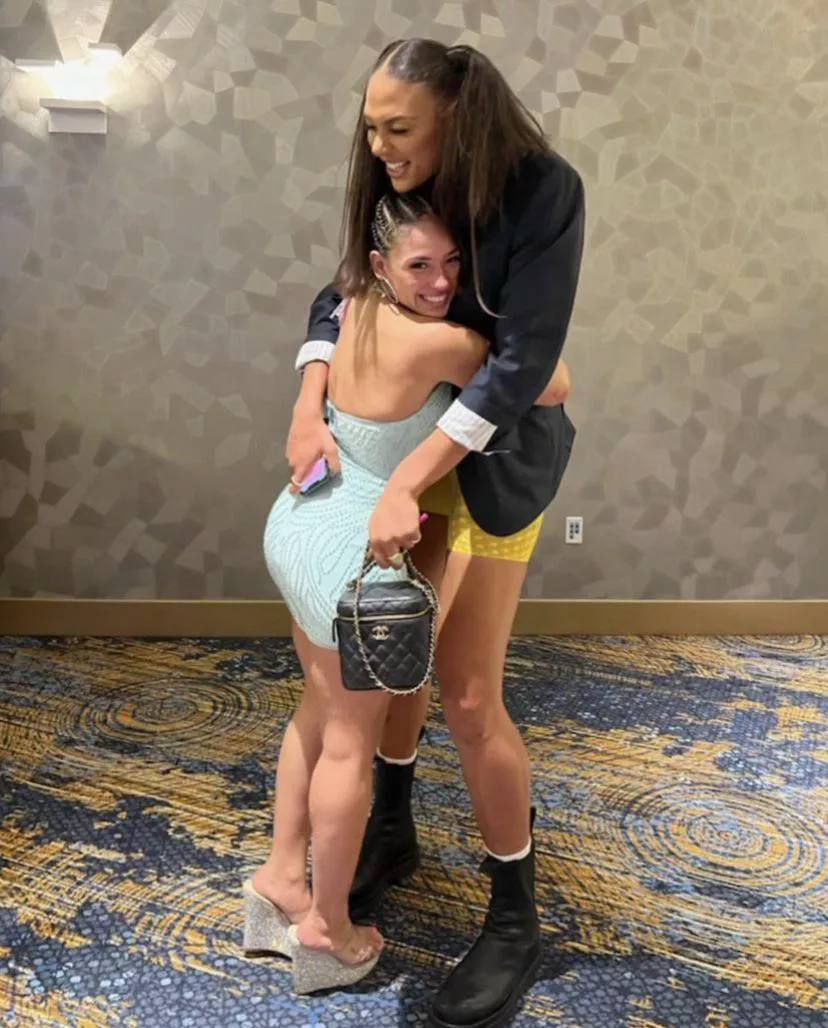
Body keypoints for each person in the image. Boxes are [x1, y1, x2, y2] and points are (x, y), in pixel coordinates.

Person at [286, 38, 584, 1028]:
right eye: (371, 127)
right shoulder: (402, 180)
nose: (378, 145)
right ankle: (395, 826)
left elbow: (525, 365)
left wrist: (408, 481)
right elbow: (341, 289)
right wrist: (308, 401)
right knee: (393, 663)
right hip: (407, 464)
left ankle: (515, 914)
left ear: (455, 118)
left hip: (491, 469)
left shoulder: (544, 191)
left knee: (466, 693)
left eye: (397, 127)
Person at [245, 193, 570, 996]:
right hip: (351, 549)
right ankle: (327, 931)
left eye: (452, 264)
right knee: (348, 744)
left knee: (313, 713)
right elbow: (551, 382)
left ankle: (279, 881)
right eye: (420, 265)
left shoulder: (350, 308)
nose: (442, 281)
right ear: (382, 266)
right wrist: (484, 330)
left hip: (299, 520)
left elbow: (326, 309)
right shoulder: (444, 341)